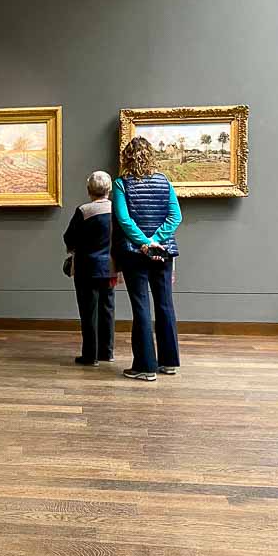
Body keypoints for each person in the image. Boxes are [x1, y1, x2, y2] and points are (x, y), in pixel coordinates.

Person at [112, 137, 182, 382]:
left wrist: (144, 243)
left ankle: (145, 366)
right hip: (163, 252)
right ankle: (169, 362)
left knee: (141, 307)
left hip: (135, 254)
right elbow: (175, 217)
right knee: (165, 305)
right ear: (151, 156)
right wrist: (156, 240)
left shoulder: (121, 184)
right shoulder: (165, 181)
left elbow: (124, 219)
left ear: (127, 157)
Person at [63, 171, 115, 365]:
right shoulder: (116, 210)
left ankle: (90, 355)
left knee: (88, 311)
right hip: (109, 267)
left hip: (86, 268)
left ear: (89, 190)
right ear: (108, 189)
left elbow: (69, 238)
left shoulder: (84, 211)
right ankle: (106, 351)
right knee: (107, 309)